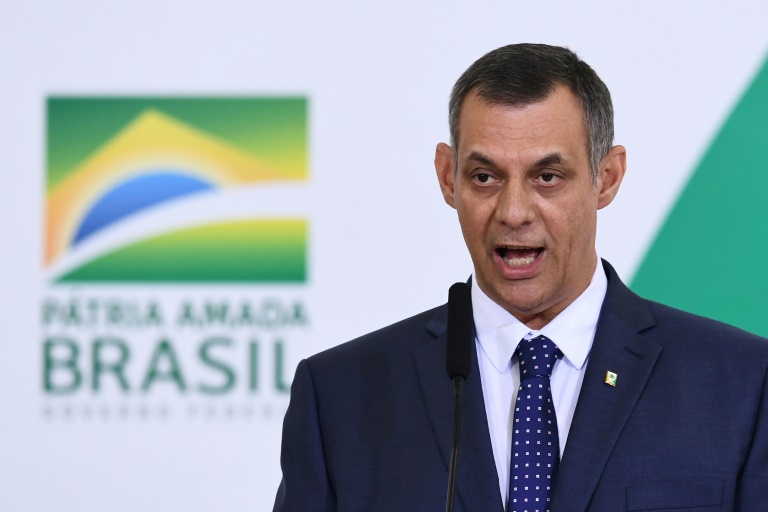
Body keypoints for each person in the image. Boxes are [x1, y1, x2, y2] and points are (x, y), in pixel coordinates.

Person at [273, 44, 768, 512]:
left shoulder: (743, 385)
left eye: (547, 177)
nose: (513, 212)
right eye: (484, 177)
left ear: (607, 178)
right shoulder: (338, 397)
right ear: (447, 177)